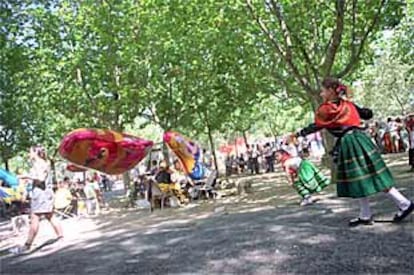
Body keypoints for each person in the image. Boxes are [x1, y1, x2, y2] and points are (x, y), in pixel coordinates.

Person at [296, 77, 413, 226]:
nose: (321, 94)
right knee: (368, 176)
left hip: (349, 143)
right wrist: (355, 106)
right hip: (361, 139)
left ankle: (403, 204)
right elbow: (368, 114)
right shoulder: (348, 105)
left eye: (323, 90)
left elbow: (316, 126)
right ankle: (368, 214)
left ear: (331, 91)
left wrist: (299, 134)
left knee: (360, 177)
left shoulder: (327, 109)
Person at [12, 145, 63, 254]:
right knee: (50, 216)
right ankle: (61, 237)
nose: (29, 154)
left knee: (34, 218)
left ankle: (26, 246)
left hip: (41, 195)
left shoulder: (39, 164)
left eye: (30, 152)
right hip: (44, 194)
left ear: (36, 153)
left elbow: (40, 179)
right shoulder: (42, 163)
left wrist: (25, 176)